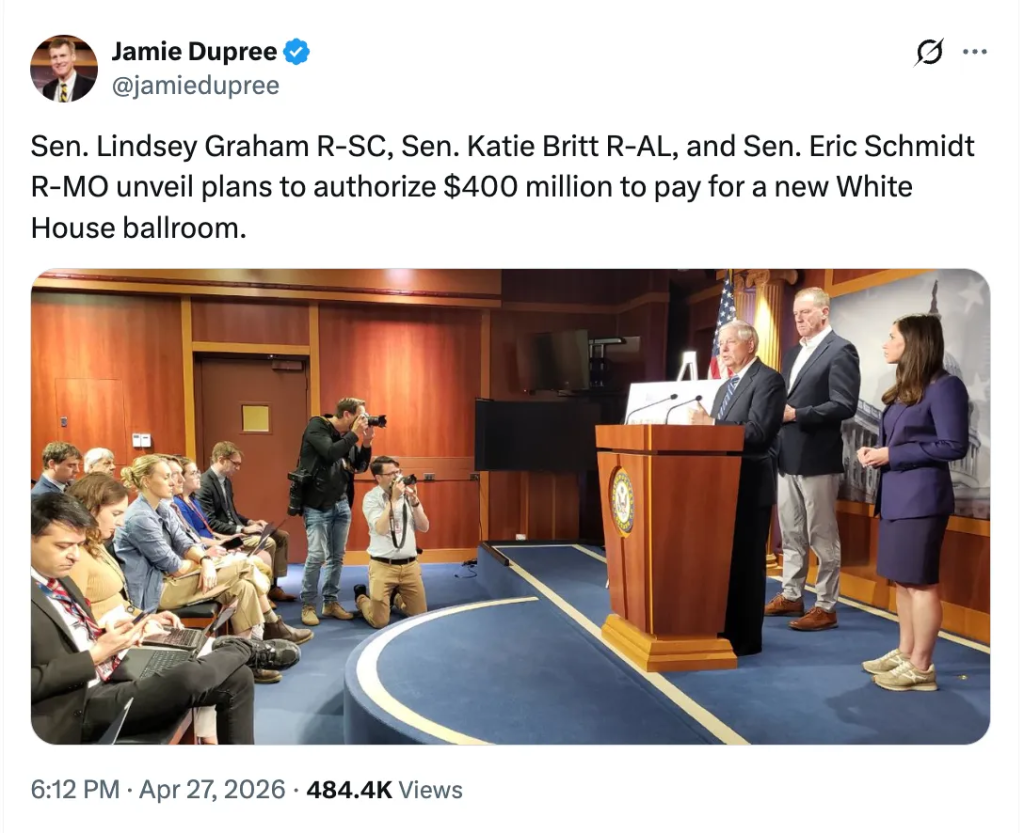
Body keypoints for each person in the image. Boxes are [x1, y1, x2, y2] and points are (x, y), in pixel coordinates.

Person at [31, 493, 264, 744]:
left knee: (238, 678)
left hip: (109, 672)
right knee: (188, 678)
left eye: (78, 545)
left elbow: (72, 633)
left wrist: (106, 632)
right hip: (76, 706)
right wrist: (95, 655)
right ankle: (246, 649)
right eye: (63, 546)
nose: (75, 555)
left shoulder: (58, 578)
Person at [114, 455, 311, 674]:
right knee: (244, 566)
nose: (173, 481)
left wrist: (206, 561)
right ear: (146, 481)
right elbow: (174, 566)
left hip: (175, 579)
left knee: (244, 586)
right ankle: (273, 625)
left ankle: (246, 660)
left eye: (172, 475)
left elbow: (185, 543)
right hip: (156, 591)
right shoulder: (139, 517)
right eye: (166, 477)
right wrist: (203, 564)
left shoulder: (161, 508)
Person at [858, 313, 969, 692]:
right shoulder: (908, 388)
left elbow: (953, 445)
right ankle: (906, 652)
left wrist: (892, 454)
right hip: (896, 498)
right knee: (904, 582)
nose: (885, 344)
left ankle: (922, 666)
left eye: (892, 337)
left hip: (922, 500)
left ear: (914, 343)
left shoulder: (945, 387)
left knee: (921, 583)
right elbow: (903, 440)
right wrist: (877, 452)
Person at [687, 320, 786, 656]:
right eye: (721, 343)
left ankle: (744, 639)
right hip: (720, 487)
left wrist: (712, 424)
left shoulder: (768, 380)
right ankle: (720, 627)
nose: (723, 349)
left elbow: (758, 433)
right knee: (722, 562)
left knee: (746, 563)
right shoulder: (724, 387)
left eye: (730, 342)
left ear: (750, 344)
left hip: (750, 485)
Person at [767, 287, 861, 631]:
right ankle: (792, 594)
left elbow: (844, 404)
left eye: (805, 312)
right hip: (787, 455)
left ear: (824, 312)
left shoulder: (841, 350)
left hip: (818, 457)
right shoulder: (793, 353)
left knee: (821, 534)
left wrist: (798, 414)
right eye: (795, 314)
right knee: (791, 531)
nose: (798, 319)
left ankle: (826, 605)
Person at [295, 397, 374, 626]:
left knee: (336, 557)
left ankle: (330, 602)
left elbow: (359, 467)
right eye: (360, 415)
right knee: (317, 556)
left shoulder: (346, 436)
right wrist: (355, 434)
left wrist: (366, 442)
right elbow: (329, 453)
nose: (363, 420)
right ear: (347, 415)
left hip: (341, 503)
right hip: (316, 504)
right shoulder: (317, 427)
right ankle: (308, 604)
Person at [198, 441, 295, 603]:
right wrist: (242, 530)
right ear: (221, 460)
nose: (238, 468)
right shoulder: (204, 484)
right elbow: (211, 522)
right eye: (235, 464)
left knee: (281, 536)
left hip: (237, 528)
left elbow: (231, 513)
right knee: (268, 542)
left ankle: (273, 587)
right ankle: (263, 593)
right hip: (224, 535)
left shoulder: (226, 481)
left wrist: (250, 522)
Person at [354, 456, 429, 628]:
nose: (398, 477)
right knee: (379, 621)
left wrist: (415, 502)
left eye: (398, 472)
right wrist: (393, 500)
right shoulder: (371, 498)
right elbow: (381, 529)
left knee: (420, 616)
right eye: (392, 474)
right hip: (383, 566)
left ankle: (395, 598)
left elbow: (424, 527)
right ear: (378, 478)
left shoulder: (407, 495)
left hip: (410, 566)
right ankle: (361, 598)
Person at [40, 37, 95, 102]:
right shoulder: (47, 89)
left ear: (73, 57)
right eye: (54, 57)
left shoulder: (92, 86)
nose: (59, 61)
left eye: (63, 55)